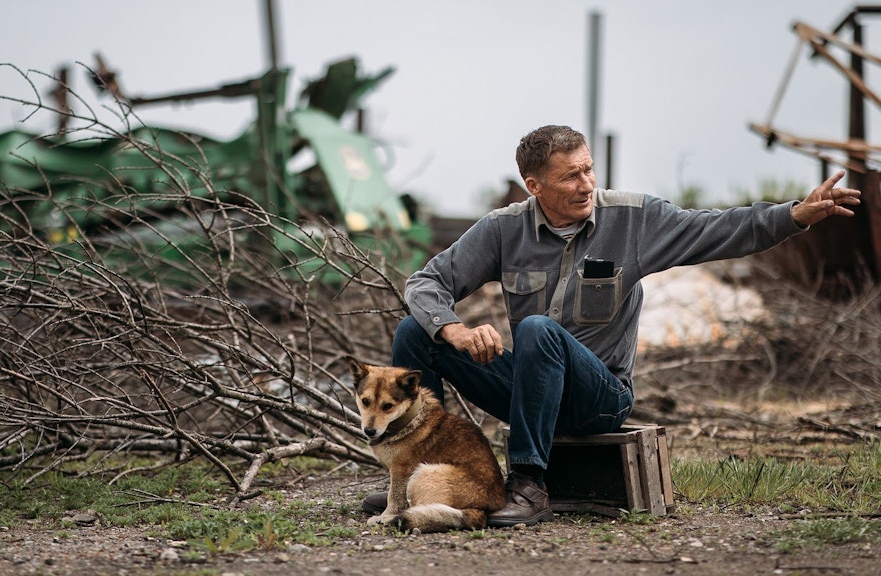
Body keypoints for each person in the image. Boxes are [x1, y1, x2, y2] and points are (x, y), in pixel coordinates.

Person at [362, 124, 862, 527]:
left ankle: (528, 486)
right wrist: (453, 329)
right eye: (569, 177)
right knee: (416, 333)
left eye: (588, 170)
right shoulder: (503, 229)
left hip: (598, 398)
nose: (585, 185)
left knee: (536, 328)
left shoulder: (634, 220)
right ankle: (426, 475)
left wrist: (794, 215)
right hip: (532, 393)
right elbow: (426, 282)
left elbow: (717, 229)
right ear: (534, 186)